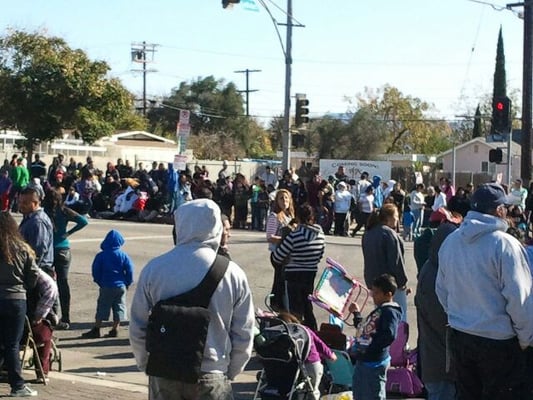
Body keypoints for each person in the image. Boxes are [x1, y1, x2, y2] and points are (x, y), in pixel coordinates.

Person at [130, 199, 254, 400]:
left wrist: (146, 364)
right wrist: (229, 371)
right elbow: (244, 332)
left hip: (164, 370)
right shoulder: (232, 273)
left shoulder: (155, 269)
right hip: (211, 372)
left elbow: (137, 326)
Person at [436, 183, 533, 399]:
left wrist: (459, 317)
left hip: (460, 336)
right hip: (498, 342)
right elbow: (520, 299)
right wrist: (526, 339)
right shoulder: (505, 244)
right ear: (499, 210)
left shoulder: (451, 241)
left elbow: (441, 290)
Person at [415, 208, 462, 400]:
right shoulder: (437, 275)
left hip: (437, 362)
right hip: (442, 365)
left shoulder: (431, 266)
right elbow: (443, 321)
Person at [0, 211, 40, 397]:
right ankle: (17, 385)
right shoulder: (22, 248)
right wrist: (25, 287)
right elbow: (33, 275)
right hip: (16, 297)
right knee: (12, 344)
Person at [271, 204, 325, 331]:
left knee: (294, 309)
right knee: (307, 306)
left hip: (293, 274)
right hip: (310, 273)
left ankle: (296, 333)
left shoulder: (295, 235)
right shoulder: (321, 235)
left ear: (298, 218)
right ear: (313, 218)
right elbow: (320, 255)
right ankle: (313, 332)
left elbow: (278, 257)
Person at [350, 274, 402, 400]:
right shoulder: (380, 310)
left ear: (388, 294)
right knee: (360, 394)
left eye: (377, 293)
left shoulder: (390, 312)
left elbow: (389, 335)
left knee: (373, 394)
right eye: (373, 291)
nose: (373, 295)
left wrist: (370, 348)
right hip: (364, 360)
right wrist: (357, 314)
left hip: (374, 363)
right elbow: (366, 328)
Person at [43, 188, 89, 330]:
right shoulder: (64, 211)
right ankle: (66, 316)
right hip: (63, 249)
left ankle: (52, 315)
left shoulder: (44, 212)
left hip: (50, 250)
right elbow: (83, 221)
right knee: (63, 283)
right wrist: (68, 233)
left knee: (49, 283)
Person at [82, 230, 134, 339]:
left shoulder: (101, 255)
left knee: (102, 306)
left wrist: (99, 281)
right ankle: (115, 329)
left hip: (106, 285)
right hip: (120, 285)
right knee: (119, 306)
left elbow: (95, 270)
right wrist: (128, 282)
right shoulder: (123, 255)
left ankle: (97, 328)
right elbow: (129, 270)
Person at [362, 203, 409, 321]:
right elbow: (396, 262)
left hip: (374, 283)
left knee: (380, 319)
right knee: (398, 320)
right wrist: (402, 282)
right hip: (390, 285)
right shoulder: (389, 234)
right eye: (396, 216)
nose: (398, 219)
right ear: (389, 218)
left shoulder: (368, 233)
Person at [278, 311, 337, 400]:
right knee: (313, 391)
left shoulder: (281, 335)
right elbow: (320, 344)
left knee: (299, 391)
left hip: (294, 365)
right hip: (312, 362)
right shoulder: (303, 330)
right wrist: (330, 355)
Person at [265, 189, 295, 311]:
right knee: (281, 283)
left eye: (286, 198)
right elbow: (270, 237)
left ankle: (277, 305)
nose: (284, 201)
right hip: (278, 254)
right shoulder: (274, 216)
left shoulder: (290, 216)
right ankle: (280, 308)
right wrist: (285, 239)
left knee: (282, 282)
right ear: (277, 201)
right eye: (281, 198)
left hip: (289, 255)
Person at [27, 269, 58, 383]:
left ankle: (5, 368)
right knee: (44, 337)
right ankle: (42, 372)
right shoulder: (45, 286)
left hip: (14, 326)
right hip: (32, 329)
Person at [18, 187, 54, 276]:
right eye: (20, 202)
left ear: (35, 203)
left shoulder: (38, 222)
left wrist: (30, 273)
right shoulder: (28, 217)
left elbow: (38, 250)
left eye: (25, 203)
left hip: (38, 270)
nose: (21, 205)